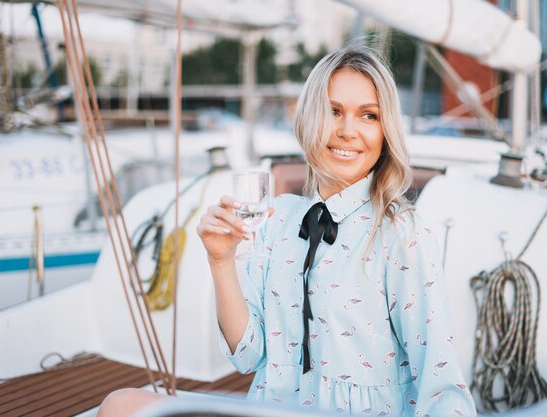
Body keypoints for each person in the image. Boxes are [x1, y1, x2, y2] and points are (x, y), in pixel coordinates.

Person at [97, 44, 476, 417]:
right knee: (121, 405)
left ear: (385, 131)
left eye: (368, 116)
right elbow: (248, 355)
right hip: (269, 409)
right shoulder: (278, 218)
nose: (347, 131)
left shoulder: (400, 232)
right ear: (310, 118)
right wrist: (221, 260)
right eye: (333, 111)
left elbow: (439, 379)